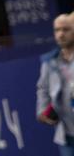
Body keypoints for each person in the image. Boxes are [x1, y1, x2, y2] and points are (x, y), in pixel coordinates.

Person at [37, 12, 74, 154]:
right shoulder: (49, 61)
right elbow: (43, 88)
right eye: (57, 30)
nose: (61, 34)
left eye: (66, 29)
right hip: (66, 134)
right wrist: (42, 111)